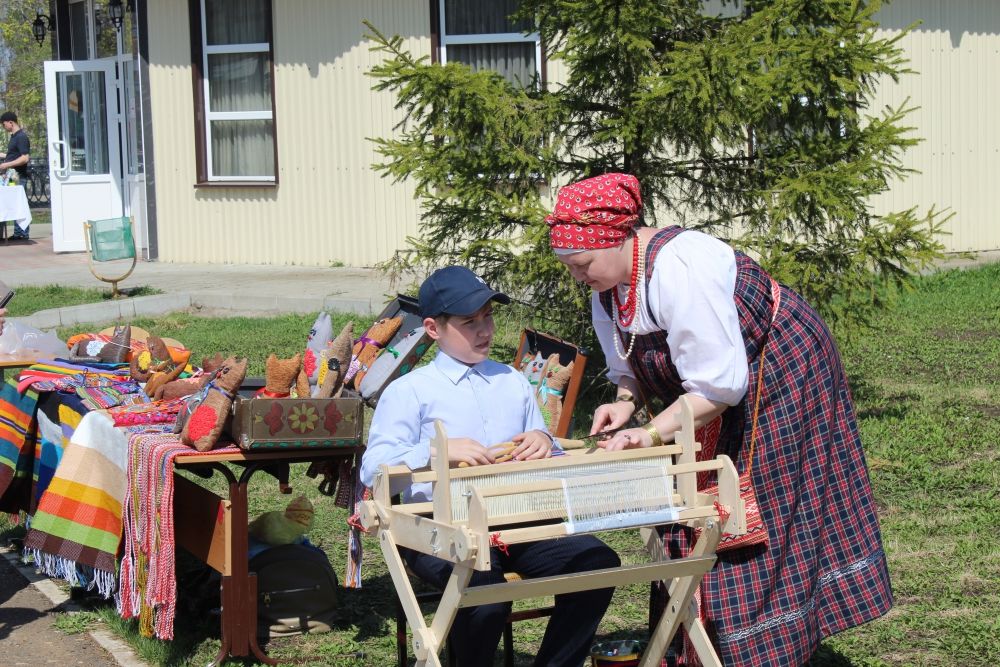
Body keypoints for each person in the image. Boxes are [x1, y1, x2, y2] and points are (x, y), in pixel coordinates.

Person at [546, 173, 892, 665]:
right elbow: (630, 359)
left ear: (619, 238)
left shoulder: (680, 268)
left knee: (752, 504)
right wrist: (625, 400)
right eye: (572, 268)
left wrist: (646, 432)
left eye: (583, 264)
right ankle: (701, 640)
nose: (580, 276)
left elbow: (720, 386)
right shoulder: (610, 284)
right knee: (699, 500)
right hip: (716, 387)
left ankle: (762, 645)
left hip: (778, 370)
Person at [360, 265, 620, 666]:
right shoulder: (411, 391)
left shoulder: (511, 381)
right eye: (469, 322)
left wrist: (542, 440)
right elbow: (373, 466)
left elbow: (542, 448)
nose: (485, 330)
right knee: (482, 592)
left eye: (488, 317)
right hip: (438, 524)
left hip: (517, 514)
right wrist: (434, 451)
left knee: (597, 566)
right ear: (433, 328)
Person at [0, 111, 31, 240]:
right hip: (11, 176)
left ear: (11, 123)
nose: (3, 127)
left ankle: (21, 234)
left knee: (18, 204)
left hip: (18, 176)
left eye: (4, 124)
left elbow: (24, 158)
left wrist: (6, 165)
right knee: (9, 203)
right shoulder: (14, 137)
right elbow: (12, 155)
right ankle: (17, 234)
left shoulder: (21, 137)